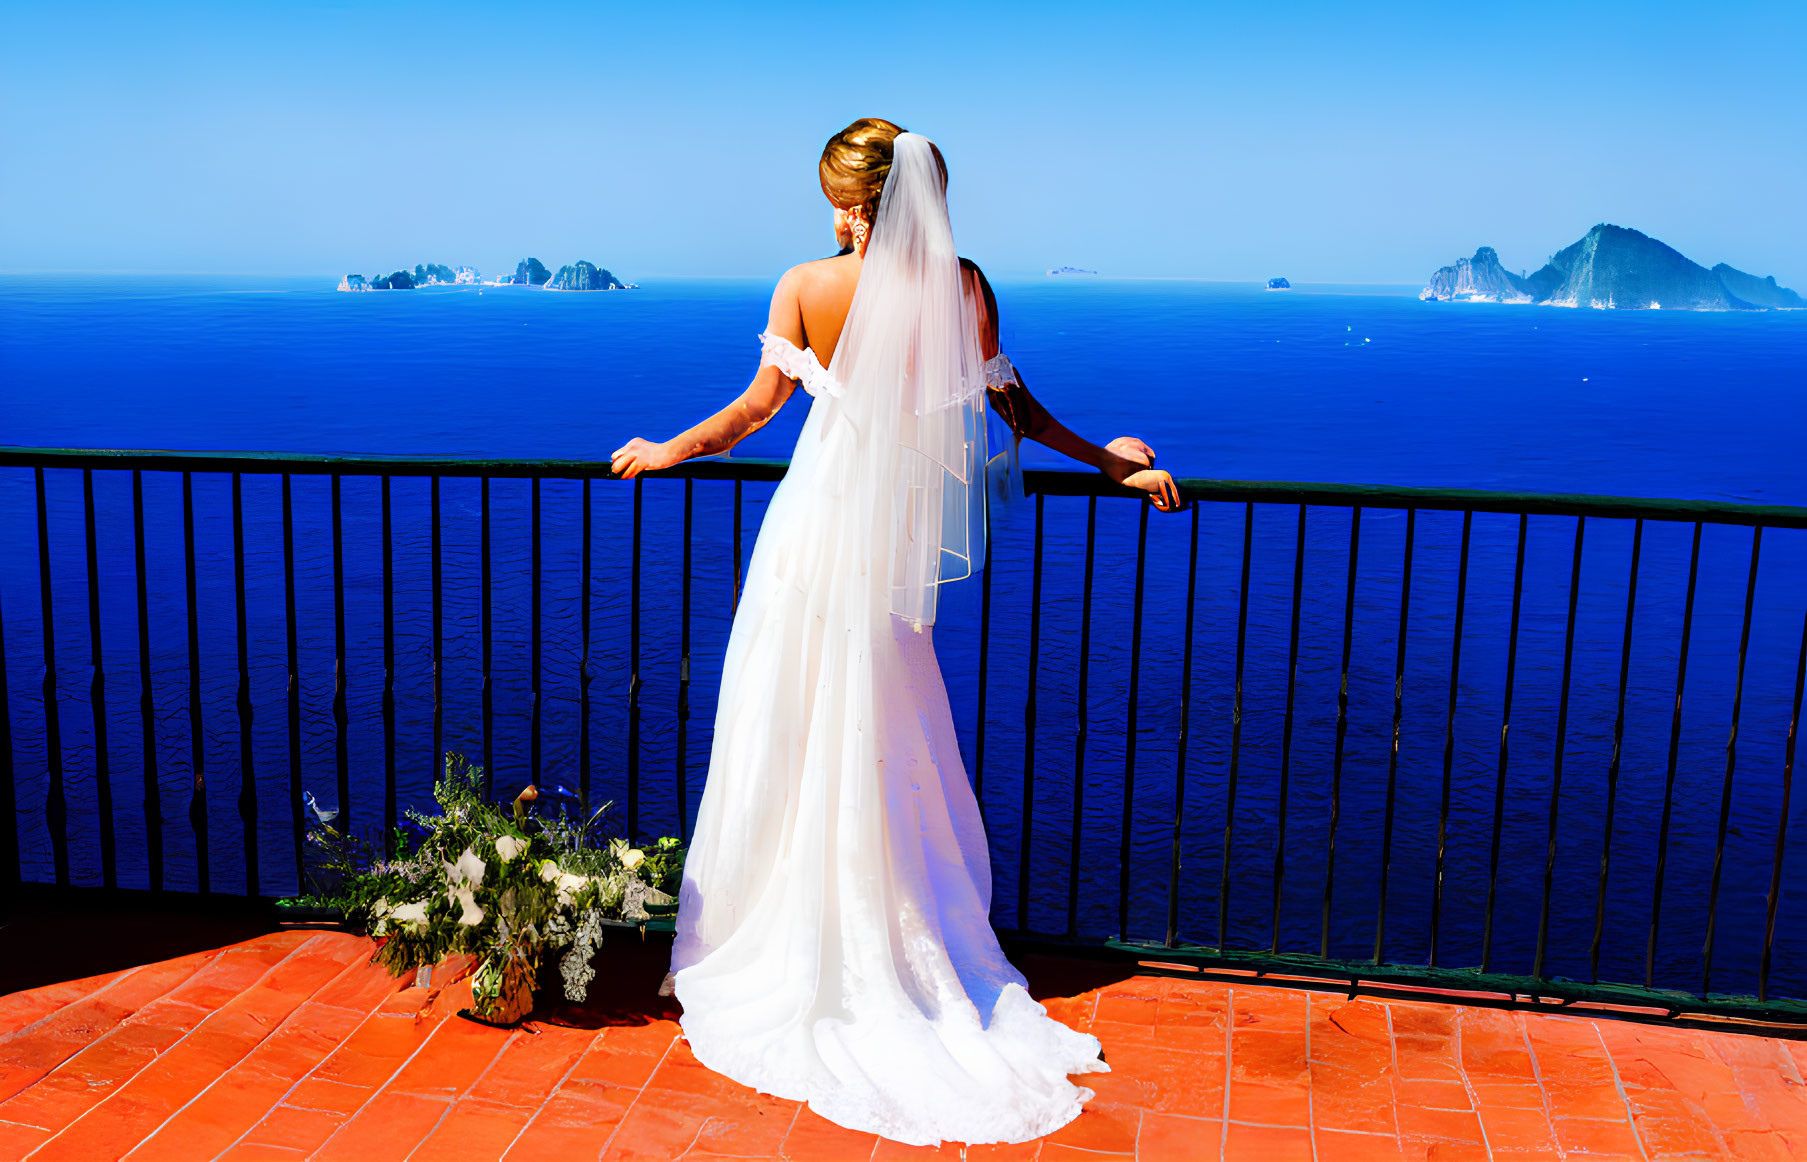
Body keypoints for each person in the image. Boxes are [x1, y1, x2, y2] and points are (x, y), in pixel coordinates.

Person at [609, 118, 1179, 1147]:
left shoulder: (804, 285)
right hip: (887, 552)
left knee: (787, 715)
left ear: (854, 201)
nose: (837, 213)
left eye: (841, 196)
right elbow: (1009, 400)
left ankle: (792, 925)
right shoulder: (960, 286)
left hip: (811, 531)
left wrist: (665, 450)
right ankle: (893, 927)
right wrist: (1106, 459)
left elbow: (753, 410)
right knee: (886, 720)